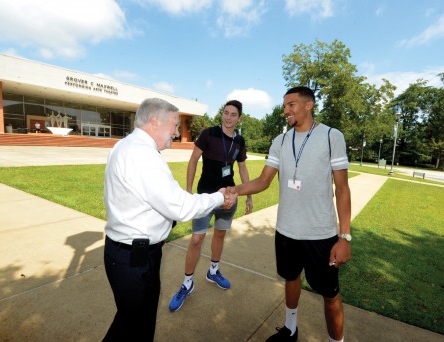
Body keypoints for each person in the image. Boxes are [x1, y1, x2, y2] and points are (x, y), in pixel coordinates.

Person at [103, 98, 236, 341]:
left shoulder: (124, 146)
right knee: (133, 329)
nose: (177, 132)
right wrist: (218, 197)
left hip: (126, 253)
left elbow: (140, 202)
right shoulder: (143, 156)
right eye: (174, 125)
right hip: (135, 260)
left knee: (130, 324)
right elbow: (181, 207)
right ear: (155, 122)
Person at [229, 86, 351, 342]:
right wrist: (234, 190)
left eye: (291, 105)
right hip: (286, 231)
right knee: (291, 279)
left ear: (309, 105)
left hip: (321, 235)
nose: (285, 110)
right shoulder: (280, 141)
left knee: (330, 294)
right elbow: (263, 181)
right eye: (284, 105)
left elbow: (342, 189)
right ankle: (290, 328)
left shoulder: (331, 136)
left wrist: (344, 237)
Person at [168, 100, 253, 312]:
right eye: (226, 113)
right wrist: (188, 190)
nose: (228, 117)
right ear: (221, 114)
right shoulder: (208, 133)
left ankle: (213, 271)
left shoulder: (240, 142)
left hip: (228, 198)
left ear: (239, 118)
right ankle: (187, 283)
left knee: (220, 235)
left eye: (233, 114)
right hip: (205, 196)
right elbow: (193, 160)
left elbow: (242, 169)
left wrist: (248, 195)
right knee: (196, 239)